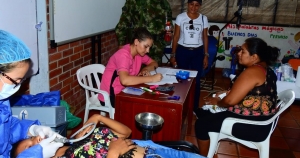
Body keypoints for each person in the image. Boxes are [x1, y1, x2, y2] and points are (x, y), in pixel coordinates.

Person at [194, 37, 280, 156]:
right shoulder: (267, 70)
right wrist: (227, 92)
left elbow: (229, 101)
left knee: (201, 124)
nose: (238, 53)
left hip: (252, 126)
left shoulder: (252, 71)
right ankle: (210, 147)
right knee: (202, 113)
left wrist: (217, 101)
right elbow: (253, 91)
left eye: (243, 51)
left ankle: (201, 156)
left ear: (254, 57)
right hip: (263, 121)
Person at [12, 114, 206, 158]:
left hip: (153, 150)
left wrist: (97, 118)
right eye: (30, 147)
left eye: (31, 139)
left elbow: (126, 133)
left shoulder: (74, 139)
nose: (36, 140)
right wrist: (113, 153)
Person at [0, 29, 63, 158]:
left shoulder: (2, 100)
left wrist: (31, 129)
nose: (18, 86)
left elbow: (6, 127)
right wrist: (35, 154)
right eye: (15, 80)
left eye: (21, 80)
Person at [115, 0, 173, 64]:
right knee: (135, 74)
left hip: (156, 48)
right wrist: (121, 44)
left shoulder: (164, 2)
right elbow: (123, 22)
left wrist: (169, 33)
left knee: (152, 74)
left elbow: (169, 23)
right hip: (139, 47)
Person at [99, 27, 163, 104]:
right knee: (145, 103)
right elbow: (125, 80)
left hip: (125, 90)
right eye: (146, 46)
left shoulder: (138, 54)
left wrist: (145, 69)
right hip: (111, 95)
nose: (148, 51)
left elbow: (154, 63)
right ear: (136, 42)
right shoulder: (123, 55)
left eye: (149, 47)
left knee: (150, 98)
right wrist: (151, 78)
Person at [170, 0, 209, 111]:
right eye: (191, 4)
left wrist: (206, 55)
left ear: (200, 6)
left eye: (197, 5)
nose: (194, 7)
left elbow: (205, 37)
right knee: (182, 79)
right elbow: (176, 37)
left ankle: (194, 107)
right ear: (187, 4)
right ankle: (182, 104)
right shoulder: (181, 17)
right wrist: (173, 55)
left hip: (197, 52)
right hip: (183, 51)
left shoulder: (203, 19)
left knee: (196, 81)